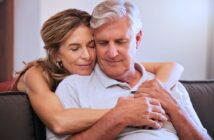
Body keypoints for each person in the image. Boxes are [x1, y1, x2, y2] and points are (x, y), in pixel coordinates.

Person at [0, 8, 183, 136]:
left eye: (92, 45)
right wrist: (125, 112)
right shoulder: (37, 74)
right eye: (74, 48)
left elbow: (171, 66)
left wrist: (159, 89)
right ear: (55, 53)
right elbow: (59, 121)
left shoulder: (99, 63)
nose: (86, 56)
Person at [49, 0, 211, 140]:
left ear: (138, 38)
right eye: (103, 43)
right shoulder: (73, 86)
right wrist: (119, 117)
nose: (112, 53)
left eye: (120, 41)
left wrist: (174, 108)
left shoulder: (166, 84)